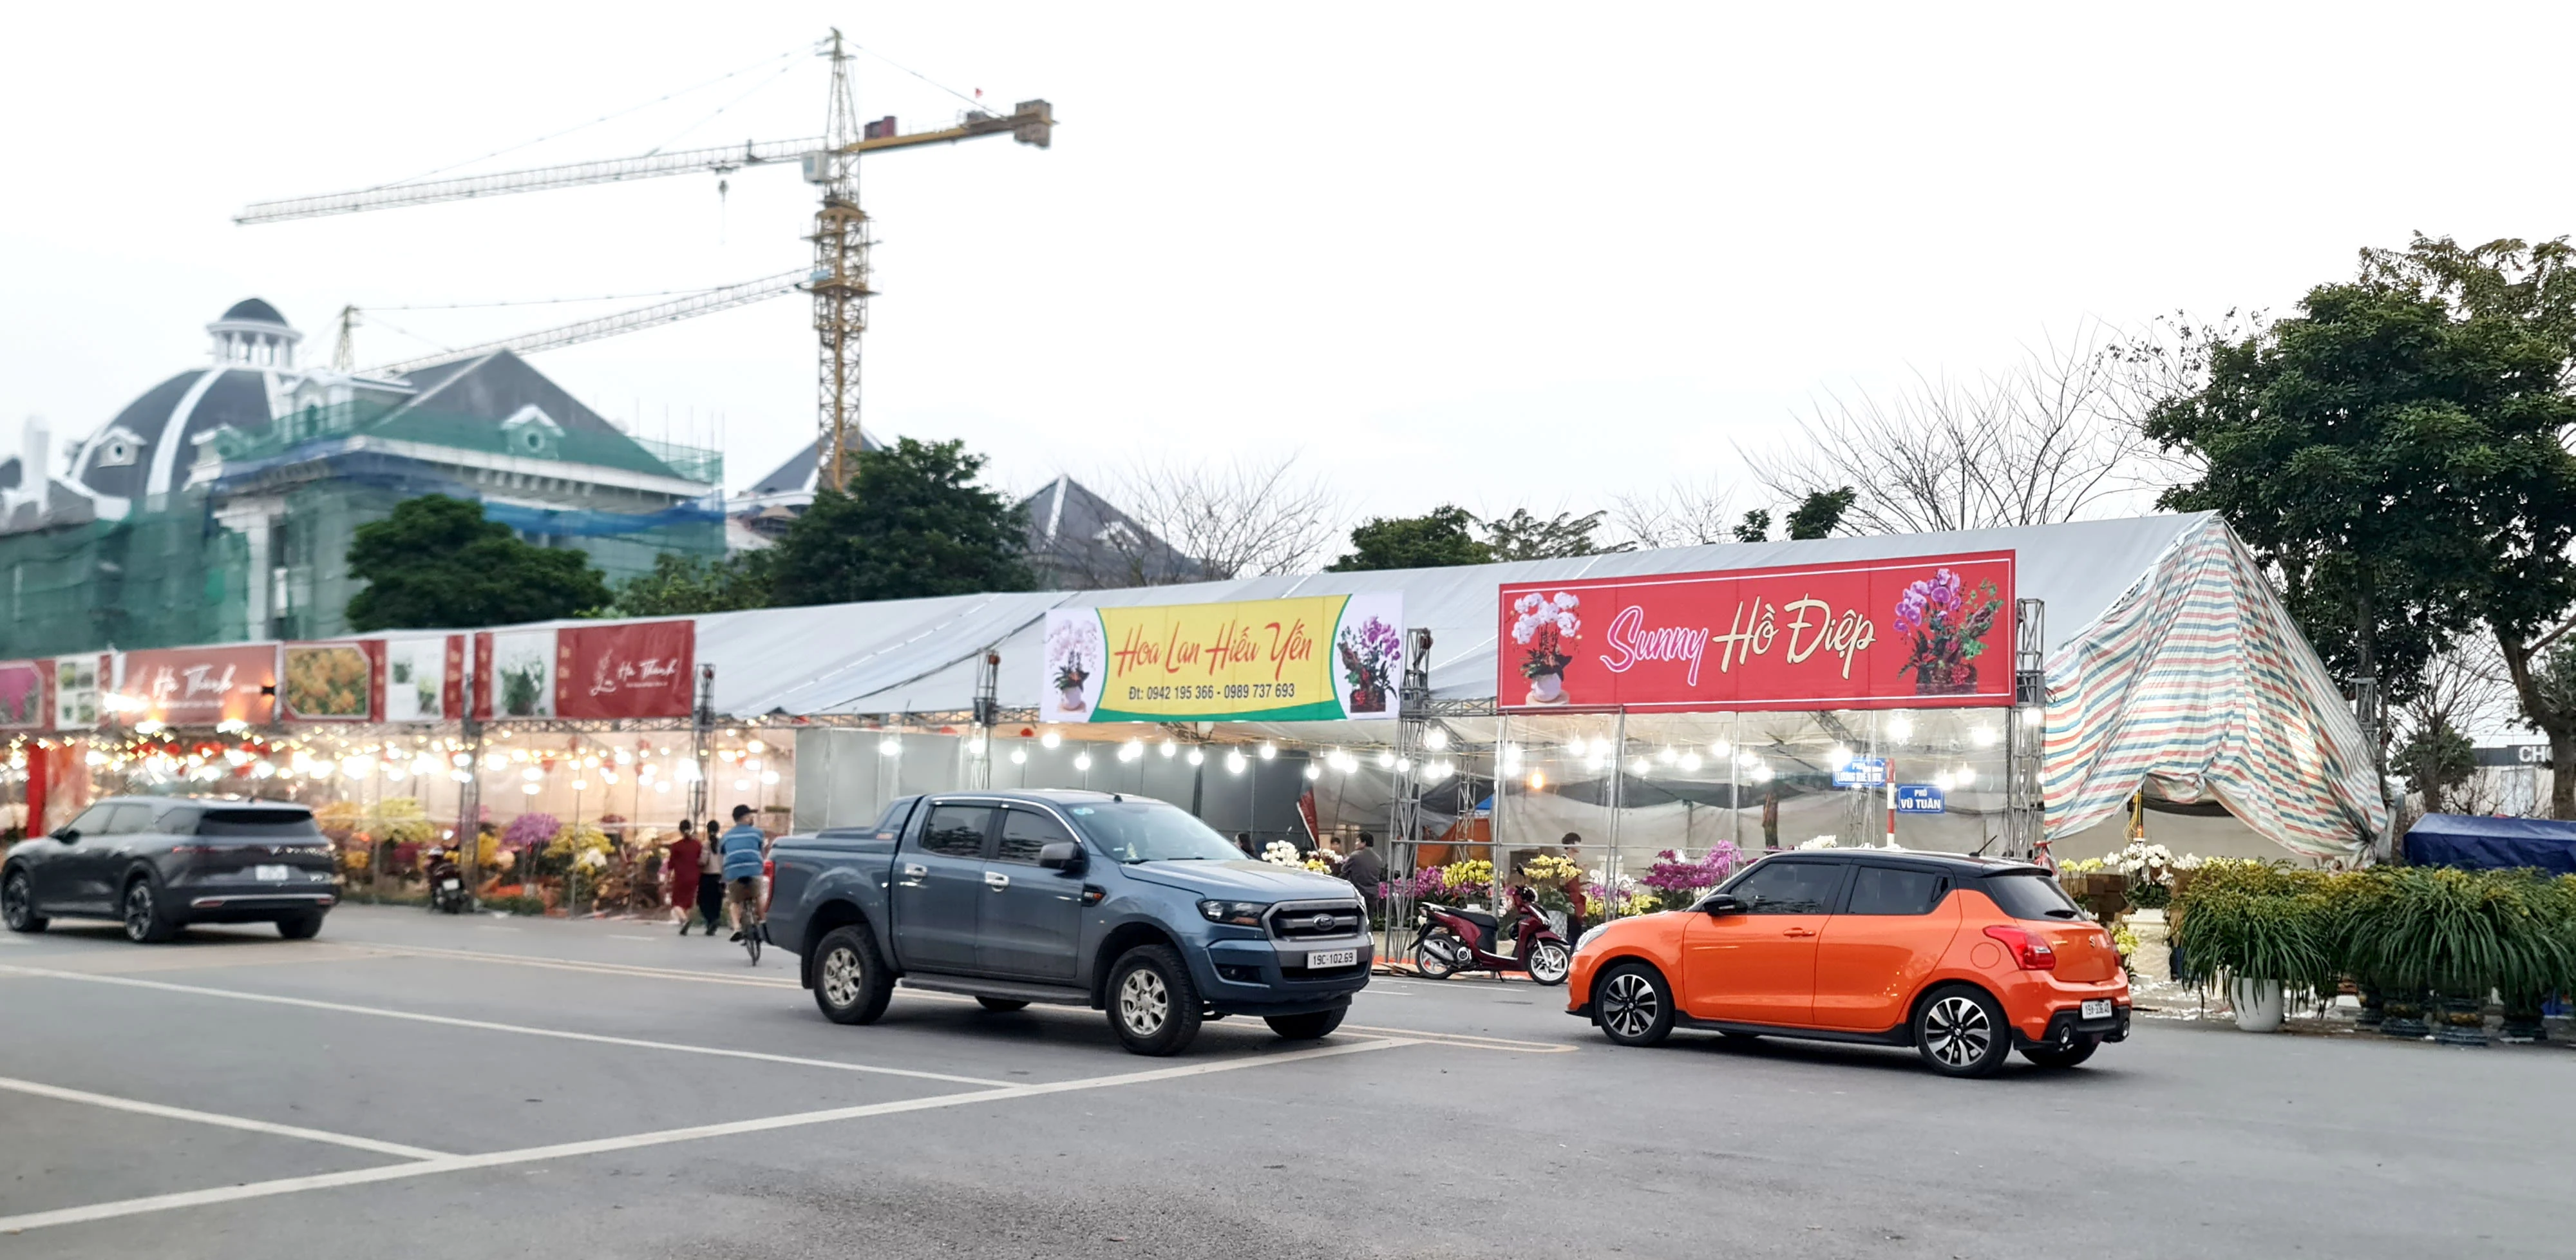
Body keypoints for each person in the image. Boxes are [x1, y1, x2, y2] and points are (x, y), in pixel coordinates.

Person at [717, 805, 768, 942]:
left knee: (735, 901)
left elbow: (722, 855)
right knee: (758, 895)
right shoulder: (757, 833)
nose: (752, 818)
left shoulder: (726, 836)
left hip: (733, 872)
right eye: (750, 816)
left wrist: (723, 877)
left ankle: (737, 928)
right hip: (753, 870)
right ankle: (763, 922)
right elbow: (762, 854)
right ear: (745, 818)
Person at [666, 820, 703, 935]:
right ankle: (684, 923)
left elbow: (670, 865)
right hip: (695, 877)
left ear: (680, 830)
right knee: (687, 902)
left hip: (681, 877)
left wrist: (667, 878)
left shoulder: (676, 846)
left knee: (676, 903)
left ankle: (684, 920)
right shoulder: (697, 844)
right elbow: (701, 860)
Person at [695, 817, 726, 936]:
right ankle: (714, 921)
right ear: (718, 830)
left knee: (703, 902)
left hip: (707, 877)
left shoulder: (706, 845)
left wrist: (697, 862)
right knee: (716, 902)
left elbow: (703, 861)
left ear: (708, 830)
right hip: (720, 877)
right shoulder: (723, 844)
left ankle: (711, 921)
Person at [1343, 832, 1386, 908]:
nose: (1356, 843)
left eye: (1358, 841)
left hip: (1358, 895)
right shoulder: (1378, 858)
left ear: (1364, 843)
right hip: (1373, 896)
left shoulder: (1355, 856)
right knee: (1369, 918)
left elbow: (1344, 870)